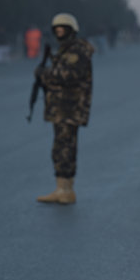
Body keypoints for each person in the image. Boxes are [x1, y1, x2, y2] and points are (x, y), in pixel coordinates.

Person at [35, 13, 95, 204]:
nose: (59, 32)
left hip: (70, 108)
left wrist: (45, 74)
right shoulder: (64, 50)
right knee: (60, 148)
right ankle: (61, 188)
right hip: (61, 108)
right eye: (57, 30)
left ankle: (66, 190)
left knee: (65, 148)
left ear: (71, 31)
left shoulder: (77, 51)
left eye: (63, 29)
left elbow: (71, 75)